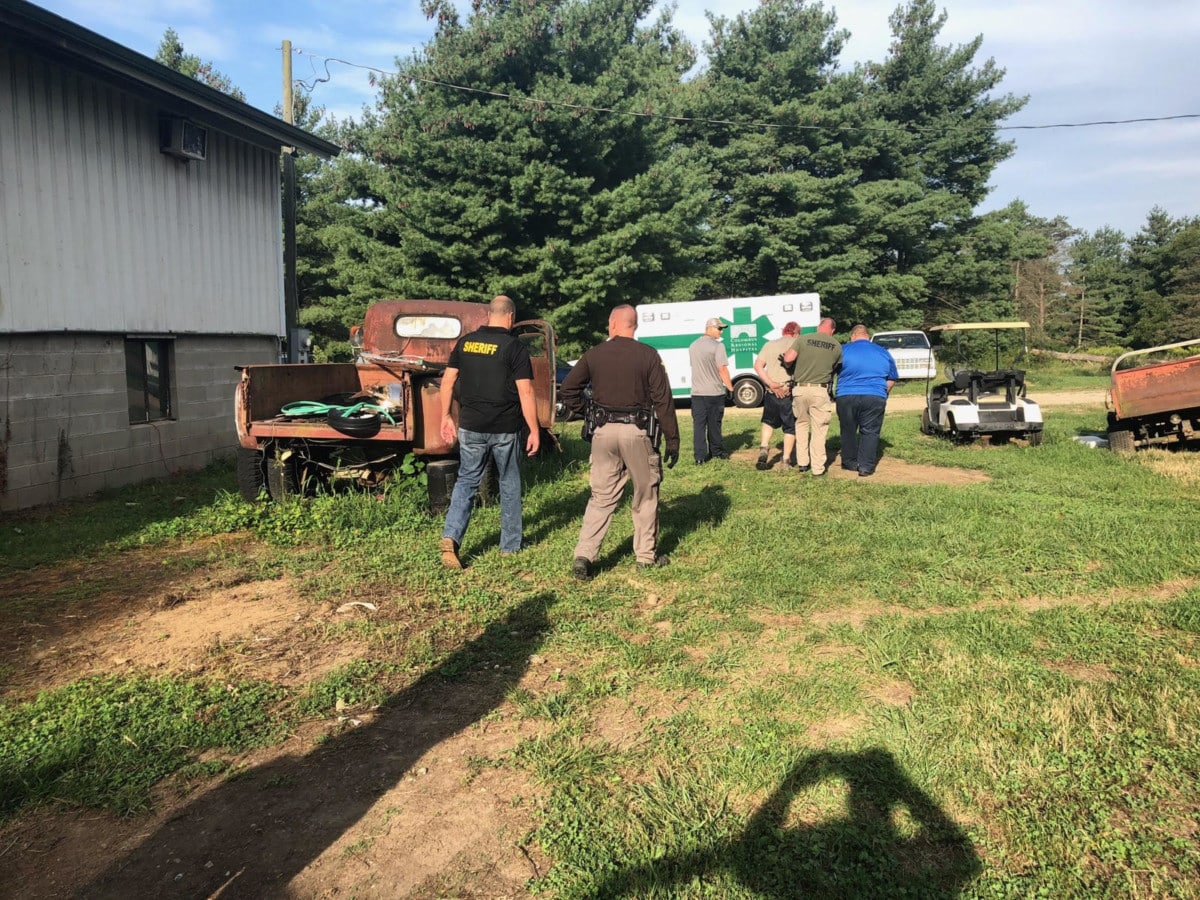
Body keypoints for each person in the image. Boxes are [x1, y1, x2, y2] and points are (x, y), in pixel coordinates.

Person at [561, 305, 680, 580]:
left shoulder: (594, 354)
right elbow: (663, 400)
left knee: (601, 497)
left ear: (613, 324)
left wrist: (587, 411)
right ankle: (645, 557)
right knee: (645, 494)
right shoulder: (648, 355)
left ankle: (584, 555)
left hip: (602, 433)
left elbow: (568, 390)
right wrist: (673, 440)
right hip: (637, 432)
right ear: (633, 325)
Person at [437, 295, 540, 568]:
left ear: (489, 315)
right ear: (511, 317)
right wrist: (534, 428)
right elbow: (526, 391)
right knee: (509, 482)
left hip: (470, 425)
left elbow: (447, 381)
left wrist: (446, 416)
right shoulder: (514, 347)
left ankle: (451, 536)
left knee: (467, 480)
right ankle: (510, 546)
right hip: (505, 427)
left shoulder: (466, 342)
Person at [835, 324, 899, 478]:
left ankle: (849, 462)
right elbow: (892, 378)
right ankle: (866, 467)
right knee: (870, 431)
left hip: (846, 395)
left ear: (852, 336)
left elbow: (831, 370)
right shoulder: (883, 352)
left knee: (848, 430)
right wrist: (883, 393)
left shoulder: (843, 350)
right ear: (869, 337)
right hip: (874, 395)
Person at [781, 317, 841, 477]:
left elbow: (788, 359)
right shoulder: (836, 345)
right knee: (819, 429)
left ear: (819, 326)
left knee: (801, 425)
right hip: (820, 390)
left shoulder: (803, 339)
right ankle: (818, 468)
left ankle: (802, 463)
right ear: (832, 330)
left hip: (800, 389)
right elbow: (837, 367)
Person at [752, 321, 800, 470]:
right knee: (790, 427)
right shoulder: (798, 344)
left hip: (772, 391)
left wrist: (771, 383)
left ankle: (764, 449)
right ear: (796, 333)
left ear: (783, 331)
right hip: (788, 391)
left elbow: (758, 366)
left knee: (768, 422)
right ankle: (785, 461)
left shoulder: (770, 344)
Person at [688, 317, 734, 464]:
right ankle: (717, 451)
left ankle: (700, 457)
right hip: (714, 392)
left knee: (699, 425)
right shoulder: (718, 346)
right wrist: (730, 388)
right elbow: (722, 369)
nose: (721, 332)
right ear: (710, 328)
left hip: (697, 393)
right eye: (719, 329)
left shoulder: (693, 345)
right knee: (714, 424)